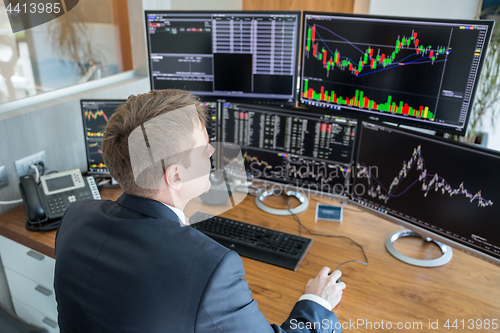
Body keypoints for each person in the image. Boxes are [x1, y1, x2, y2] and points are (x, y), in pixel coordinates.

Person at [54, 89, 346, 332]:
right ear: (176, 175)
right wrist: (315, 302)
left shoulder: (75, 218)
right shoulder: (213, 269)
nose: (211, 153)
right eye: (205, 147)